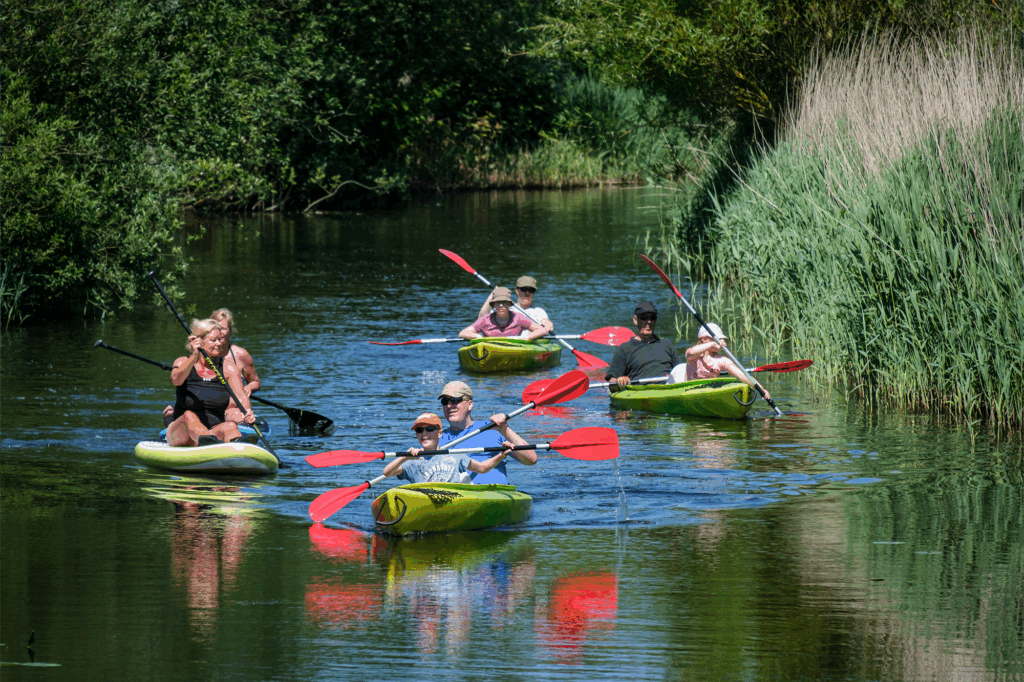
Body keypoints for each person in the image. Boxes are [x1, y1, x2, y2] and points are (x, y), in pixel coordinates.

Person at [165, 318, 256, 447]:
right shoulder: (182, 362)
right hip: (181, 431)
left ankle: (238, 445)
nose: (219, 344)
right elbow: (176, 380)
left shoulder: (228, 368)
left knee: (230, 426)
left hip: (212, 431)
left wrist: (248, 412)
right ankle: (208, 443)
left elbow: (240, 396)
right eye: (213, 340)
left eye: (220, 339)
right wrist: (194, 356)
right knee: (189, 416)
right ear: (199, 341)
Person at [433, 381, 536, 484]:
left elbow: (531, 459)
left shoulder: (494, 429)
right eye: (445, 401)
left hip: (495, 494)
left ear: (469, 404)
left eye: (455, 400)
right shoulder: (436, 439)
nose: (449, 406)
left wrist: (505, 430)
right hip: (458, 495)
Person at [382, 413, 510, 483]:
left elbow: (482, 468)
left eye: (430, 429)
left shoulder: (455, 455)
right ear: (416, 435)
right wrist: (404, 457)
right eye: (420, 430)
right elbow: (387, 472)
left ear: (440, 433)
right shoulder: (412, 461)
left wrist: (501, 455)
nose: (424, 433)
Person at [604, 302, 684, 387]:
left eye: (652, 318)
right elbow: (612, 381)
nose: (649, 322)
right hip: (639, 393)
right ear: (635, 320)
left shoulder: (667, 345)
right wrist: (620, 381)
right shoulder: (624, 349)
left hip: (667, 390)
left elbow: (681, 372)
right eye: (644, 318)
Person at [682, 322, 771, 399]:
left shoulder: (722, 360)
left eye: (720, 339)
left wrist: (761, 389)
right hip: (691, 391)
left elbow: (743, 375)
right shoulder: (695, 354)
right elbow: (689, 354)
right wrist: (712, 344)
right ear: (704, 339)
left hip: (707, 394)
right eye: (716, 339)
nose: (720, 341)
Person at [210, 308, 260, 423]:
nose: (220, 333)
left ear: (230, 330)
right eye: (217, 329)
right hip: (210, 406)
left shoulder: (241, 355)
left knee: (239, 415)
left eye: (223, 329)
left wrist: (249, 387)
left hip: (233, 409)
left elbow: (256, 382)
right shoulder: (202, 354)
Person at [459, 287, 548, 341]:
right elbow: (463, 333)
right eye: (498, 303)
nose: (501, 306)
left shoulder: (518, 318)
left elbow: (542, 330)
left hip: (514, 350)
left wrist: (527, 338)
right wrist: (477, 337)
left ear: (509, 304)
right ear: (493, 305)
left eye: (504, 302)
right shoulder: (485, 319)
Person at [477, 276, 554, 335]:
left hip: (529, 345)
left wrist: (547, 324)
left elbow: (546, 321)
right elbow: (481, 318)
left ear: (534, 293)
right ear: (517, 291)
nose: (527, 293)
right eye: (524, 289)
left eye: (531, 290)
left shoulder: (539, 311)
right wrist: (492, 295)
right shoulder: (505, 308)